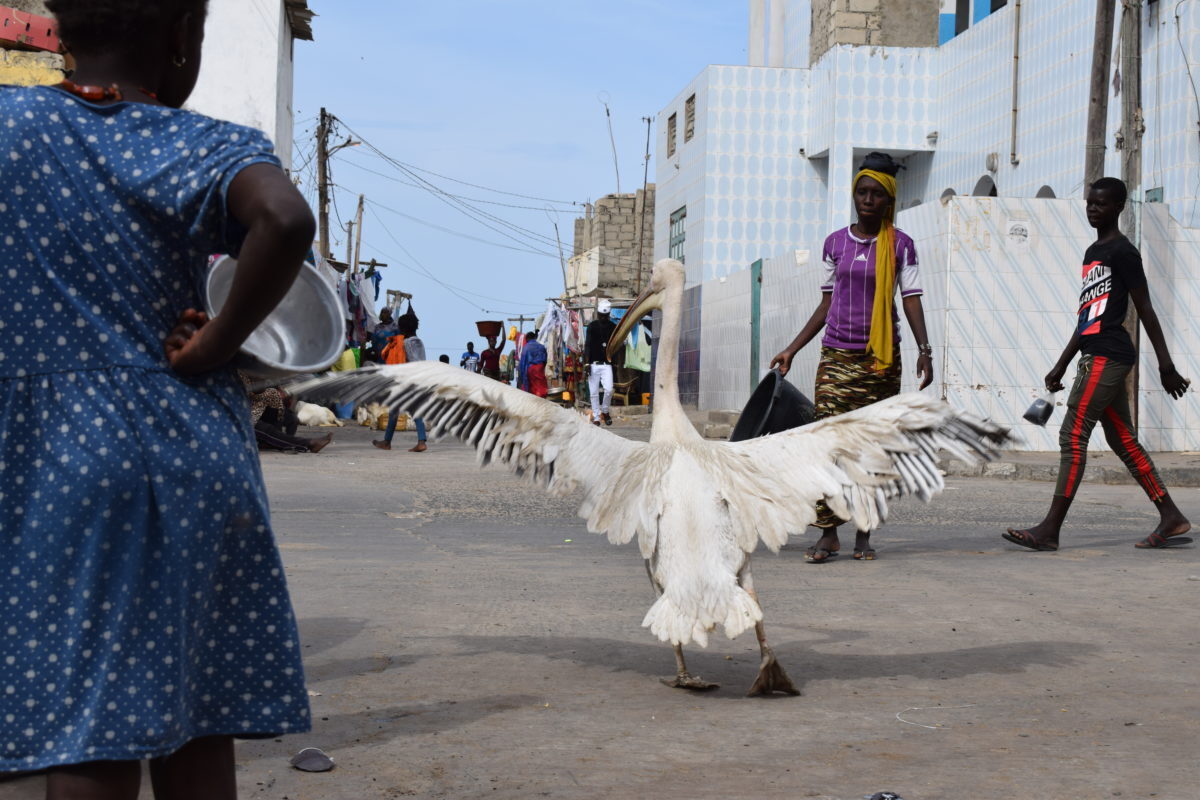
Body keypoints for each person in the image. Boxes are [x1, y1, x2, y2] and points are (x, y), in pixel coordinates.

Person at [0, 0, 315, 796]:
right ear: (181, 37)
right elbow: (283, 219)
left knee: (86, 724)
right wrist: (217, 342)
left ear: (62, 33)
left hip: (58, 461)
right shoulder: (204, 143)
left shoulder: (11, 128)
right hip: (194, 447)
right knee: (198, 717)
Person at [1004, 178, 1192, 552]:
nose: (1093, 209)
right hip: (1094, 352)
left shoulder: (1124, 252)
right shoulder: (1093, 252)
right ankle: (1171, 517)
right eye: (1090, 202)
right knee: (1122, 439)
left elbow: (1146, 308)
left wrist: (1166, 365)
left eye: (1101, 204)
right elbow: (1088, 316)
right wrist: (1061, 364)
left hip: (1109, 355)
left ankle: (1049, 531)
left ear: (1118, 207)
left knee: (1072, 435)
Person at [770, 152, 933, 563]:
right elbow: (826, 304)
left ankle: (863, 533)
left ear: (889, 199)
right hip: (836, 357)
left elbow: (911, 299)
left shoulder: (902, 246)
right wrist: (792, 349)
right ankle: (828, 534)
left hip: (881, 362)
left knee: (870, 450)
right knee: (826, 446)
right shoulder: (835, 243)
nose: (868, 200)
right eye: (862, 192)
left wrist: (924, 350)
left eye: (877, 194)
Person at [373, 316, 429, 452]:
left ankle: (418, 442)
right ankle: (389, 441)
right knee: (399, 409)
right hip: (418, 380)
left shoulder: (407, 343)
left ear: (403, 329)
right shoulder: (419, 341)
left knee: (402, 410)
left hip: (408, 381)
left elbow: (412, 362)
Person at [243, 375, 333, 454]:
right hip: (243, 417)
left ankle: (280, 441)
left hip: (257, 409)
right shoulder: (241, 376)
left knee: (290, 417)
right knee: (263, 428)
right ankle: (309, 444)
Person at [585, 299, 618, 425]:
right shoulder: (592, 326)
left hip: (607, 364)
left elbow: (615, 345)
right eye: (601, 315)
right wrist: (586, 363)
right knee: (593, 393)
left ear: (608, 315)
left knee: (609, 389)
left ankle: (605, 411)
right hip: (593, 364)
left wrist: (615, 362)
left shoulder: (613, 327)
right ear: (598, 314)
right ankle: (596, 417)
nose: (603, 318)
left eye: (605, 315)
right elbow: (587, 345)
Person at [518, 330, 549, 397]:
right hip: (540, 368)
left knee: (533, 389)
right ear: (534, 338)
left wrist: (523, 377)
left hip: (531, 369)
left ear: (527, 339)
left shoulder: (526, 348)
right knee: (541, 386)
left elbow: (522, 364)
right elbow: (545, 360)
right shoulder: (542, 346)